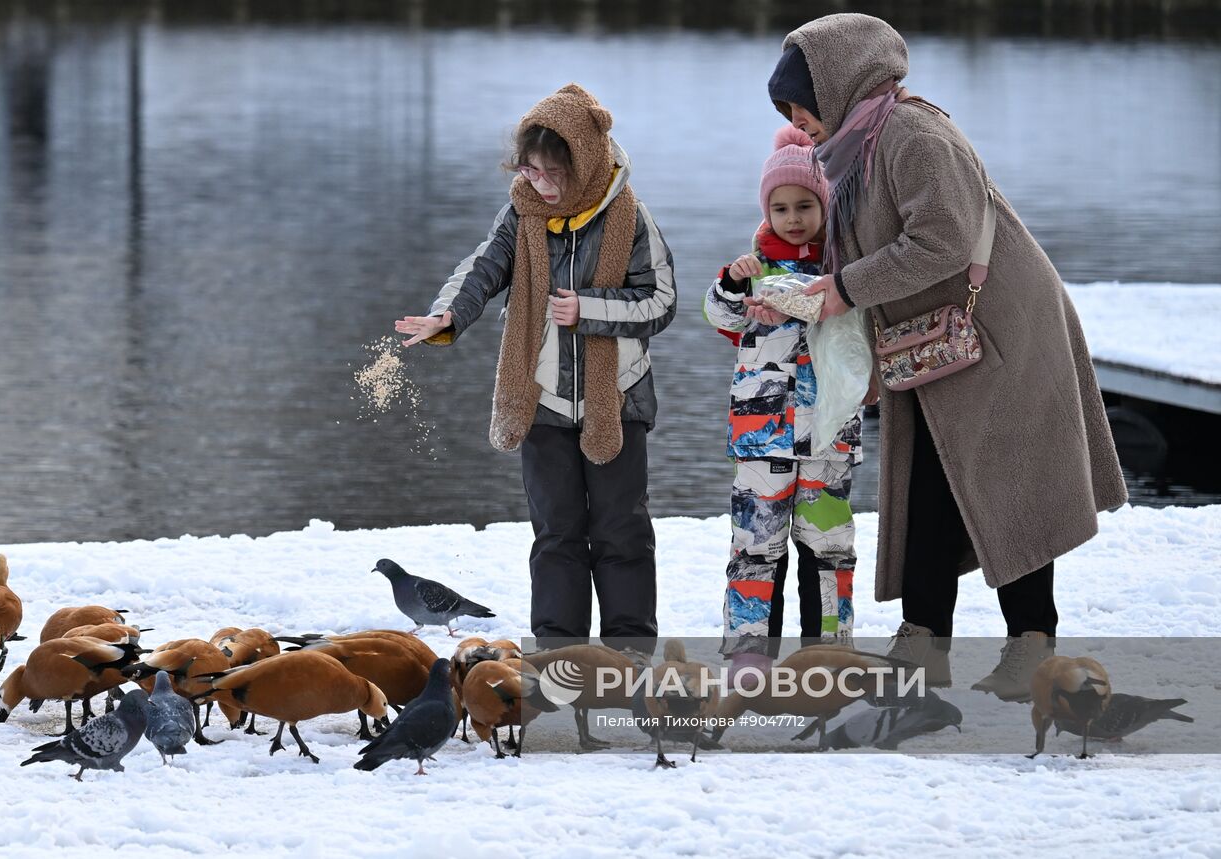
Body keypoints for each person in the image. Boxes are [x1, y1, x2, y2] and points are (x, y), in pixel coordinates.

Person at [762, 13, 1127, 697]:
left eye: (801, 106)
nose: (800, 122)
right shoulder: (859, 142)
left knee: (1009, 485)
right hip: (935, 339)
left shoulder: (911, 135)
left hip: (999, 332)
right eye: (791, 112)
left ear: (839, 84)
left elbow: (943, 243)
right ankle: (923, 644)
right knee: (927, 484)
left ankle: (1032, 649)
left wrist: (841, 290)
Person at [394, 84, 677, 657]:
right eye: (530, 169)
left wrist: (591, 309)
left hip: (617, 403)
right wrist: (446, 315)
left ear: (585, 164)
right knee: (555, 537)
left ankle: (629, 654)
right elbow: (481, 269)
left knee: (621, 534)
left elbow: (661, 302)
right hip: (542, 402)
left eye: (552, 172)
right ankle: (559, 657)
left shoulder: (630, 216)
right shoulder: (520, 213)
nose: (539, 182)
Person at [705, 125, 863, 669]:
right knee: (755, 548)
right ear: (766, 212)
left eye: (805, 205)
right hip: (761, 438)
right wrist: (731, 281)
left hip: (828, 437)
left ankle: (828, 654)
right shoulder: (753, 271)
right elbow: (719, 316)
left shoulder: (844, 273)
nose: (793, 218)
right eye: (780, 208)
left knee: (828, 550)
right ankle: (750, 656)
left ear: (825, 206)